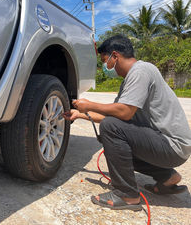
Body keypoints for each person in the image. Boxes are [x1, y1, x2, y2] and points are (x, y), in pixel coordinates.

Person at [63, 35, 191, 211]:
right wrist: (80, 114)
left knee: (110, 129)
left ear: (115, 56)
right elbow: (115, 114)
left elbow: (123, 113)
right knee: (114, 138)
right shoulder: (132, 79)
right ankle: (167, 177)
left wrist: (89, 105)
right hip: (171, 146)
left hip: (172, 146)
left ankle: (127, 195)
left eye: (105, 61)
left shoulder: (141, 71)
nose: (105, 67)